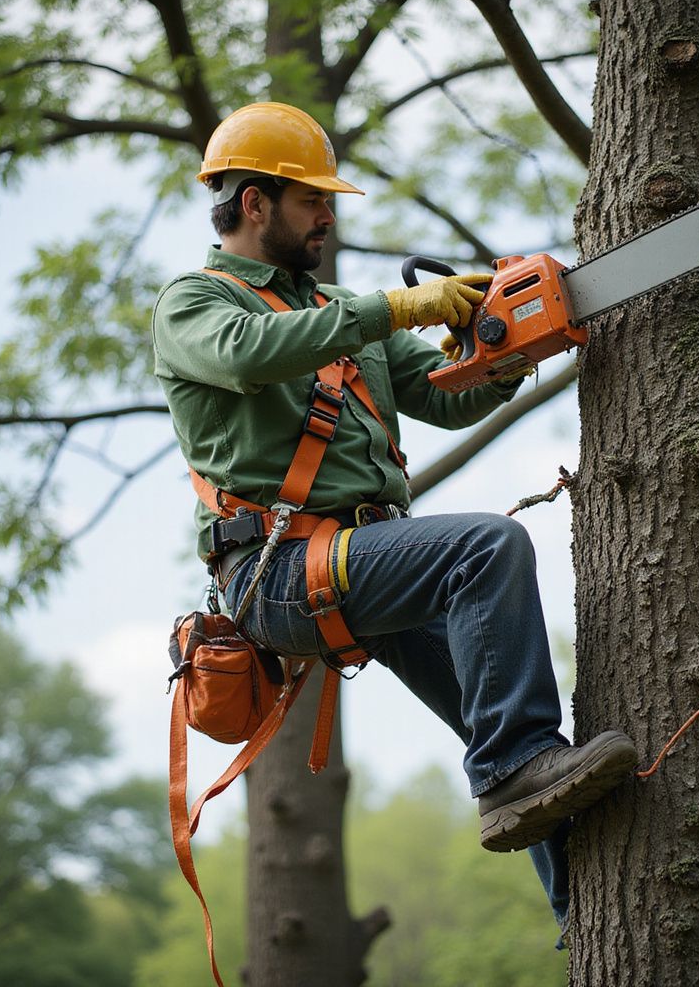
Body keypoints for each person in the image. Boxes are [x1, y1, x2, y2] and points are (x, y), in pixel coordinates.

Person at [152, 102, 637, 938]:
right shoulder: (195, 305)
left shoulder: (339, 311)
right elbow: (250, 354)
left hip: (368, 557)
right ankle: (512, 770)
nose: (329, 216)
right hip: (278, 575)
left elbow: (449, 399)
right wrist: (401, 307)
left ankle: (583, 916)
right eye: (312, 199)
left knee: (528, 736)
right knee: (486, 549)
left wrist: (510, 342)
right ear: (255, 203)